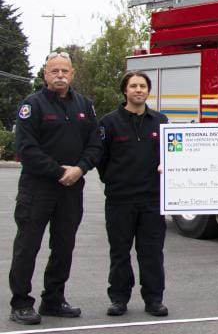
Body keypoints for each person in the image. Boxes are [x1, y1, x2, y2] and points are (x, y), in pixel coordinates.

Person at [8, 52, 101, 326]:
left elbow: (95, 144)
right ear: (45, 75)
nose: (60, 75)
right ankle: (21, 303)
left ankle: (53, 299)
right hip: (37, 188)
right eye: (54, 71)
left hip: (71, 189)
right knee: (27, 246)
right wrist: (60, 172)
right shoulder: (32, 105)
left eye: (65, 71)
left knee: (64, 246)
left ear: (72, 74)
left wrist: (80, 168)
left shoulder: (85, 105)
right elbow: (26, 150)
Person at [96, 71, 168, 318]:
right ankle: (119, 299)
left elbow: (170, 153)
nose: (138, 90)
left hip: (152, 200)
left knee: (152, 253)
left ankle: (154, 300)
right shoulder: (109, 123)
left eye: (143, 86)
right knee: (119, 252)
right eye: (133, 86)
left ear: (148, 91)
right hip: (120, 200)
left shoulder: (161, 121)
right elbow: (101, 159)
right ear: (125, 90)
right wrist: (115, 180)